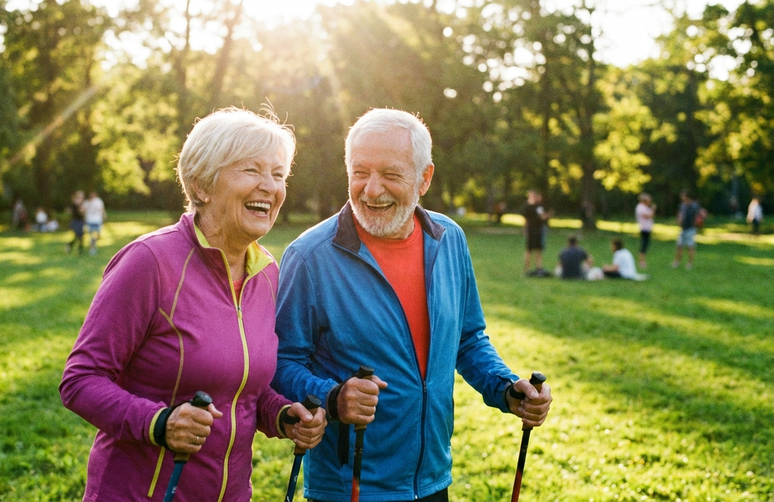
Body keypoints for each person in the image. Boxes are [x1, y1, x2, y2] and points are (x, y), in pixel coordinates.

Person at [272, 109, 552, 502]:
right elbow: (280, 363)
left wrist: (507, 388)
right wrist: (333, 396)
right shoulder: (309, 257)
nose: (372, 190)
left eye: (390, 174)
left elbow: (468, 339)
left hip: (432, 479)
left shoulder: (449, 239)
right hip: (349, 488)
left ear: (424, 178)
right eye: (360, 172)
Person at [59, 107, 326, 502]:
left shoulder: (267, 273)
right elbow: (80, 380)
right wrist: (159, 423)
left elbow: (242, 391)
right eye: (251, 170)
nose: (269, 186)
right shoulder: (149, 262)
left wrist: (283, 415)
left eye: (278, 174)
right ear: (201, 186)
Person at [522, 190, 552, 277]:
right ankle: (537, 267)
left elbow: (526, 220)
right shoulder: (535, 207)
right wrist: (549, 214)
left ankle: (531, 268)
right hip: (536, 230)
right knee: (534, 250)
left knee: (532, 249)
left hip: (534, 230)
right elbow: (542, 217)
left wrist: (525, 229)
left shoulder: (529, 206)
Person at [672, 190, 701, 270]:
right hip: (683, 228)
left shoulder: (694, 205)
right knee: (679, 246)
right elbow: (679, 215)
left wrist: (698, 222)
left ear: (687, 197)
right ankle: (676, 262)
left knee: (690, 246)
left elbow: (700, 215)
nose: (682, 198)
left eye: (683, 196)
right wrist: (678, 219)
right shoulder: (682, 205)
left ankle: (690, 263)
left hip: (691, 228)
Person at [634, 192, 655, 268]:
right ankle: (641, 261)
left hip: (647, 228)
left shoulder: (644, 207)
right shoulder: (641, 207)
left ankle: (642, 261)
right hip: (644, 228)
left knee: (645, 245)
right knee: (644, 245)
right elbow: (648, 216)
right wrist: (653, 209)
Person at [66, 190, 86, 255]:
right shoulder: (74, 203)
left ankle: (79, 250)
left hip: (81, 221)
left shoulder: (83, 204)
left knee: (81, 236)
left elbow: (83, 213)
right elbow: (69, 210)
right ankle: (69, 245)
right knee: (78, 235)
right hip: (75, 221)